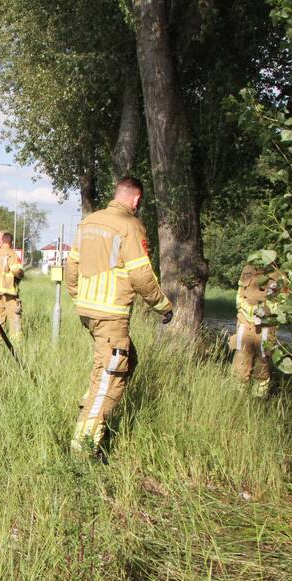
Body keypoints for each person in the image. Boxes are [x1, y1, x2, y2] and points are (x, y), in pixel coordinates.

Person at [65, 177, 173, 456]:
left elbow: (72, 266)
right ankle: (84, 446)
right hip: (111, 313)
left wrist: (78, 296)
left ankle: (89, 407)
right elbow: (140, 274)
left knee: (122, 362)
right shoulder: (130, 226)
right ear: (136, 199)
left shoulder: (88, 223)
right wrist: (161, 304)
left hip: (88, 311)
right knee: (112, 373)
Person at [231, 251, 287, 397]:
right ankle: (238, 397)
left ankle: (258, 398)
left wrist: (269, 313)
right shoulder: (248, 271)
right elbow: (240, 295)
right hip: (245, 324)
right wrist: (242, 315)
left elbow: (284, 302)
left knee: (262, 364)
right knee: (241, 362)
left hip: (266, 327)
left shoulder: (279, 277)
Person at [0, 231, 25, 340]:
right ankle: (17, 343)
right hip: (9, 292)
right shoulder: (11, 254)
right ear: (11, 242)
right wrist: (21, 275)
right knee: (14, 318)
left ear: (2, 241)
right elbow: (17, 270)